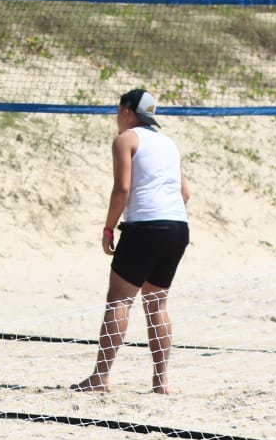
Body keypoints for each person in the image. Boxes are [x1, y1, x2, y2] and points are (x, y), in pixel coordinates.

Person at [74, 89, 190, 396]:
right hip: (178, 227)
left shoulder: (126, 139)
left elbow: (122, 188)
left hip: (145, 227)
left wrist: (109, 228)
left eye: (118, 110)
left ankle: (100, 378)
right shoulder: (168, 143)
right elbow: (185, 193)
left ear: (127, 111)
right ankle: (161, 382)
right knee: (157, 304)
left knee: (120, 301)